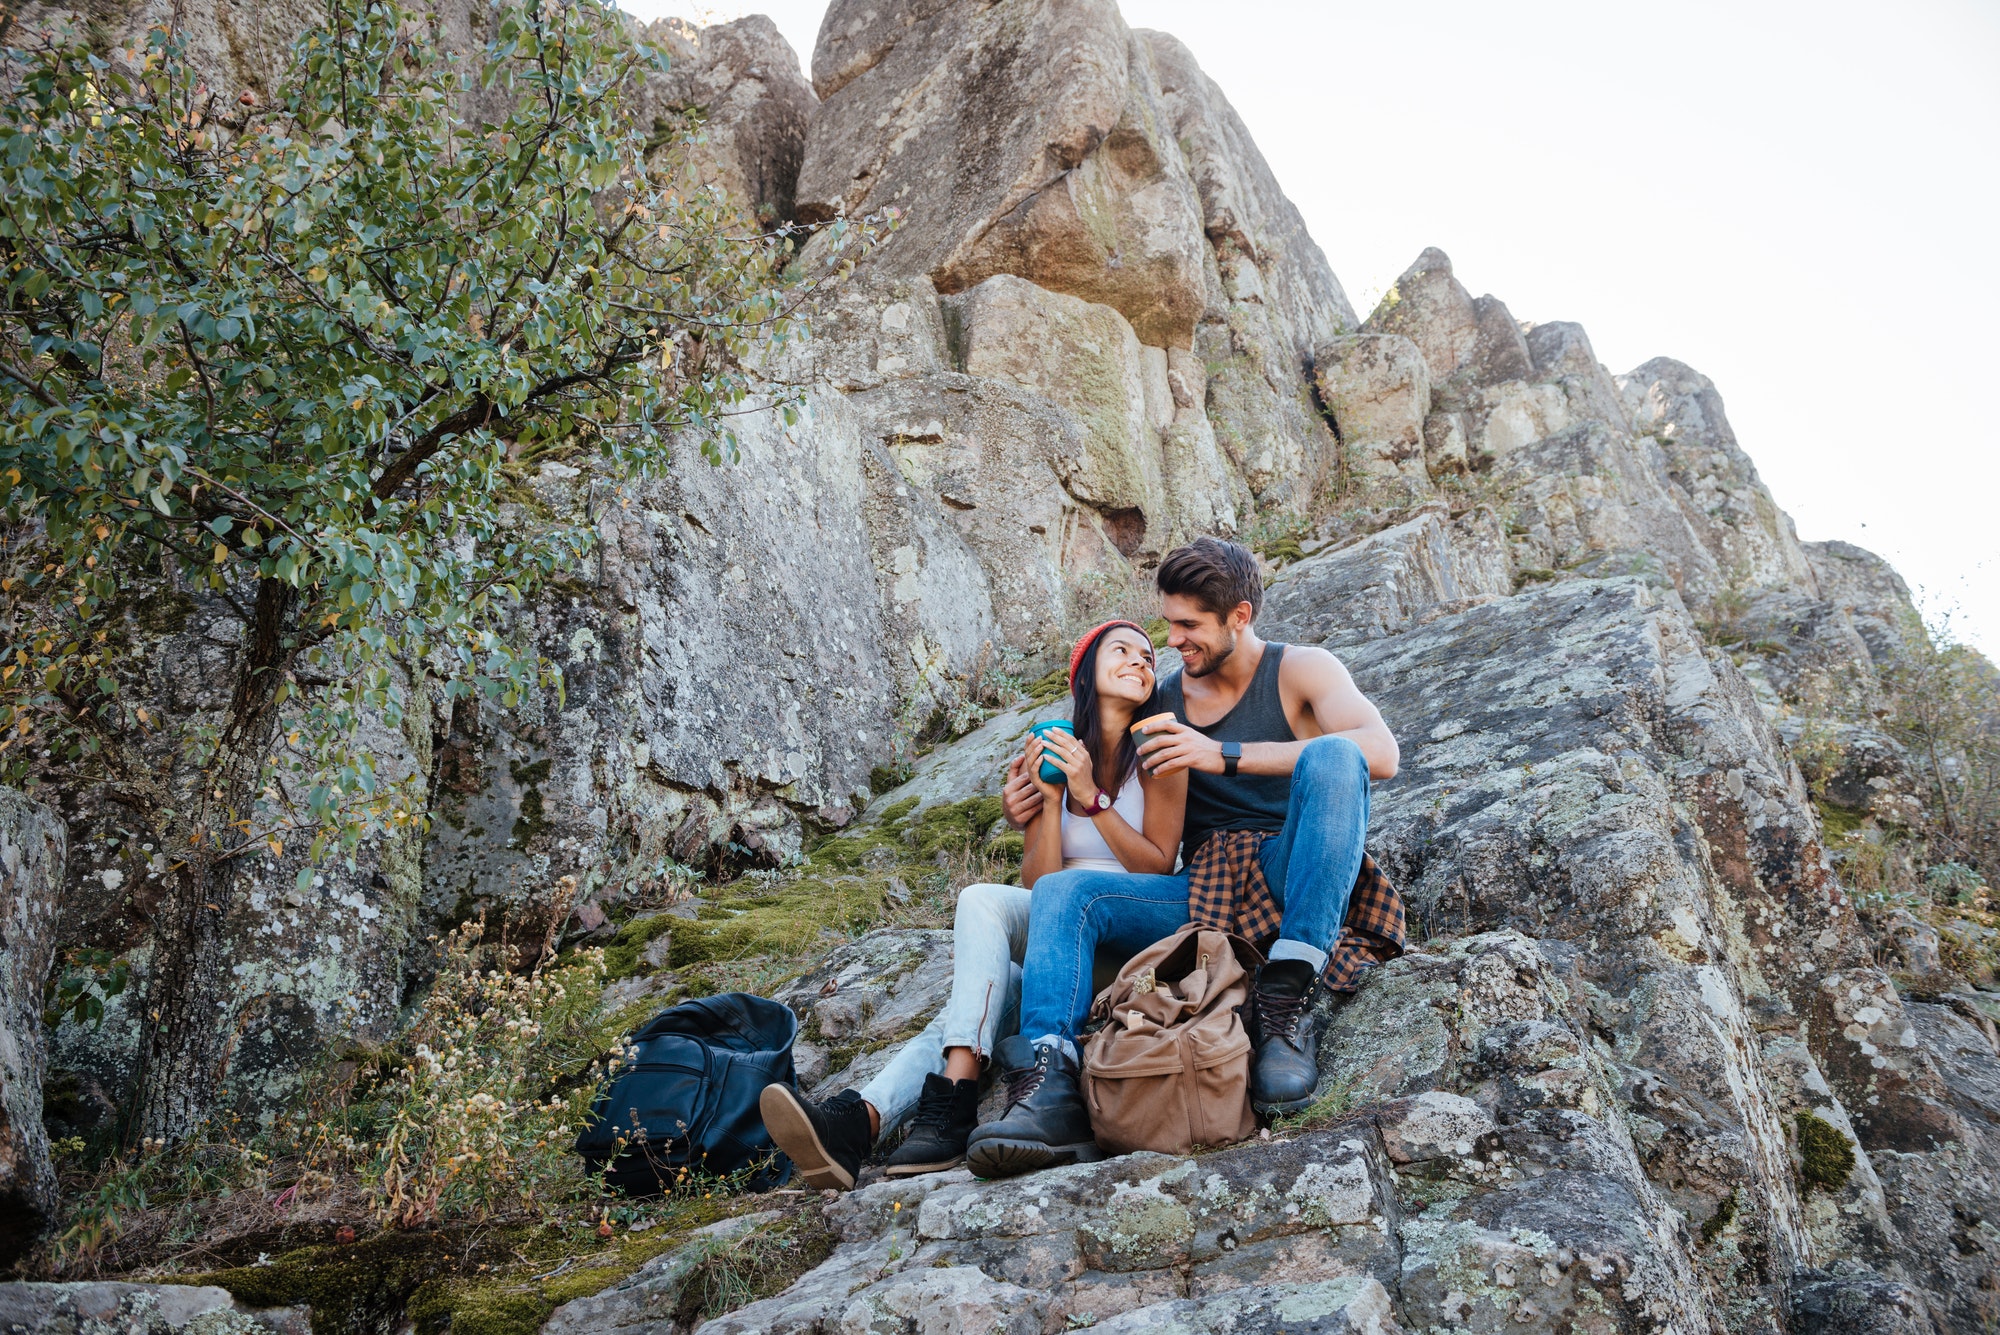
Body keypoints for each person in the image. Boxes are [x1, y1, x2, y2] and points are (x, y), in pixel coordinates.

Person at [965, 537, 1404, 1178]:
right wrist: (1031, 799)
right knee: (1066, 891)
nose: (1172, 640)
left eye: (1188, 625)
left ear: (1240, 617)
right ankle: (1049, 1078)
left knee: (1336, 755)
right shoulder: (1164, 699)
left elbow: (1381, 753)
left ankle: (1284, 1007)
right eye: (1169, 622)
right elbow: (1100, 756)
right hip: (1200, 890)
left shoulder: (1301, 670)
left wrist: (1219, 754)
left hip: (1290, 868)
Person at [759, 621, 1188, 1189]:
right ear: (1085, 674)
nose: (1140, 661)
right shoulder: (1056, 751)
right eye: (1122, 650)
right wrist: (1053, 800)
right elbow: (1039, 883)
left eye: (1148, 656)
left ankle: (934, 1107)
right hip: (1062, 930)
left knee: (1007, 946)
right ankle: (863, 1121)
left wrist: (1092, 797)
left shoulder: (1159, 749)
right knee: (981, 937)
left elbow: (1156, 864)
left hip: (1133, 924)